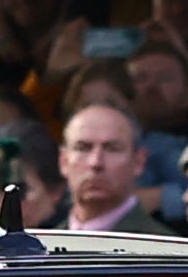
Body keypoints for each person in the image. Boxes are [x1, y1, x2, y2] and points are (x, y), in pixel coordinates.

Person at [57, 95, 157, 233]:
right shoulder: (41, 248)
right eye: (83, 148)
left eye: (112, 149)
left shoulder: (166, 251)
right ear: (63, 161)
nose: (95, 162)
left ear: (138, 162)